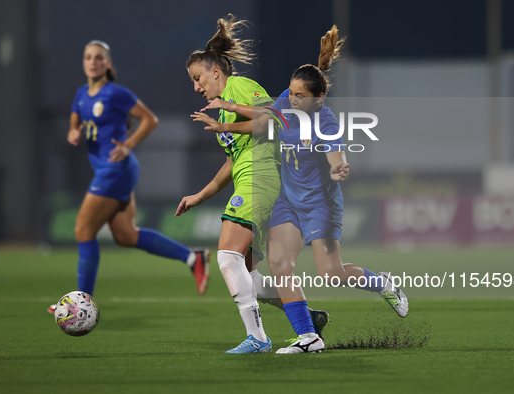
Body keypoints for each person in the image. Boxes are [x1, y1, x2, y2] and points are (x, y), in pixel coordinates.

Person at [201, 26, 408, 354]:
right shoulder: (285, 101)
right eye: (291, 92)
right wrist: (226, 118)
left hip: (320, 203)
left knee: (332, 274)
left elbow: (334, 153)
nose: (292, 99)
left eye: (300, 96)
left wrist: (338, 167)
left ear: (319, 99)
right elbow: (264, 117)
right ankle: (308, 338)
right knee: (280, 264)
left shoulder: (325, 122)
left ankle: (382, 283)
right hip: (287, 199)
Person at [49, 40, 209, 314]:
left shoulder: (116, 94)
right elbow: (74, 124)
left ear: (108, 64)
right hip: (106, 170)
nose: (93, 61)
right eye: (88, 57)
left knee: (82, 229)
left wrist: (128, 144)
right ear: (84, 62)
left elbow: (150, 119)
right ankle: (193, 257)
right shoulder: (81, 95)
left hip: (117, 170)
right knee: (125, 235)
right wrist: (72, 133)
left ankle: (81, 304)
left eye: (99, 57)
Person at [176, 15, 283, 354]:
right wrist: (199, 196)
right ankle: (306, 316)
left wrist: (229, 115)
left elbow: (273, 121)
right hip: (249, 181)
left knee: (225, 257)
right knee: (248, 271)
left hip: (261, 179)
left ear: (216, 72)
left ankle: (259, 339)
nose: (196, 87)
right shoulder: (222, 110)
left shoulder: (237, 89)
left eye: (198, 78)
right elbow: (231, 163)